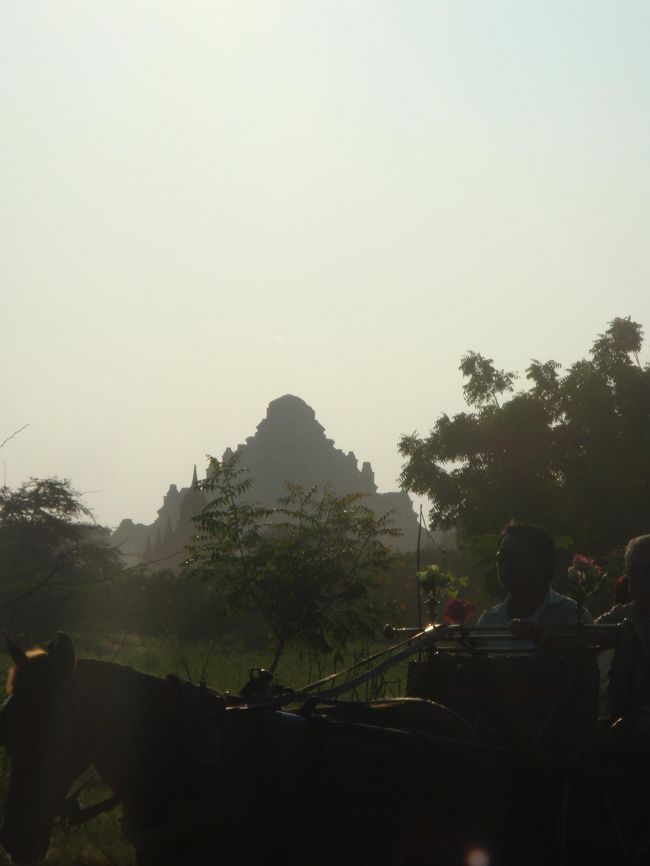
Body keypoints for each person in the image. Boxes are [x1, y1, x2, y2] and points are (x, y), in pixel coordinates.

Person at [478, 520, 593, 632]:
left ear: (543, 562)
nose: (506, 563)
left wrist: (541, 639)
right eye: (501, 557)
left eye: (517, 556)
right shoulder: (488, 621)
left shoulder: (572, 615)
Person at [597, 534, 650, 718]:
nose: (642, 577)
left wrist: (636, 720)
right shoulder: (622, 615)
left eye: (649, 569)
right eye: (635, 570)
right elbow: (584, 635)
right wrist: (537, 632)